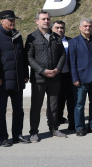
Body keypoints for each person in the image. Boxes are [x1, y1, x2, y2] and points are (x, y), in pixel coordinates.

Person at [0, 10, 30, 146]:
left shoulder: (17, 35)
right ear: (2, 21)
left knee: (18, 109)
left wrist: (25, 74)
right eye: (10, 20)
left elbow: (22, 56)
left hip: (17, 79)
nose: (12, 22)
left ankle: (17, 134)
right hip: (1, 81)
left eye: (13, 20)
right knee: (1, 111)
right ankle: (3, 137)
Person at [25, 11, 67, 142]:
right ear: (37, 21)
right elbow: (29, 57)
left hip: (55, 77)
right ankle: (33, 132)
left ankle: (54, 128)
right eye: (43, 19)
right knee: (36, 106)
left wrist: (57, 69)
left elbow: (63, 55)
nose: (46, 21)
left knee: (53, 105)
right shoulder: (32, 37)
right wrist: (42, 70)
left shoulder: (56, 37)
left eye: (48, 19)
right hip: (39, 78)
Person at [68, 18, 92, 136]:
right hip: (81, 78)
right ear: (80, 27)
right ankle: (79, 127)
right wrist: (74, 78)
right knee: (79, 104)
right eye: (85, 26)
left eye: (89, 26)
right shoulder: (74, 42)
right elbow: (72, 62)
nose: (87, 28)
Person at [52, 20, 76, 130]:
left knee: (71, 101)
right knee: (56, 101)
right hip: (55, 76)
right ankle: (55, 122)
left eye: (62, 27)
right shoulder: (50, 41)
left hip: (68, 76)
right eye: (57, 27)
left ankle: (73, 123)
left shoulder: (70, 41)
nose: (60, 30)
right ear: (52, 29)